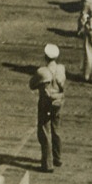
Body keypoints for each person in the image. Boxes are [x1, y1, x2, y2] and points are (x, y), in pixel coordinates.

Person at [29, 44, 66, 172]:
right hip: (58, 102)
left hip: (46, 104)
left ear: (45, 56)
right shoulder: (61, 69)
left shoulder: (42, 71)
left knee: (44, 132)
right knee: (56, 130)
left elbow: (32, 85)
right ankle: (58, 157)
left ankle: (47, 164)